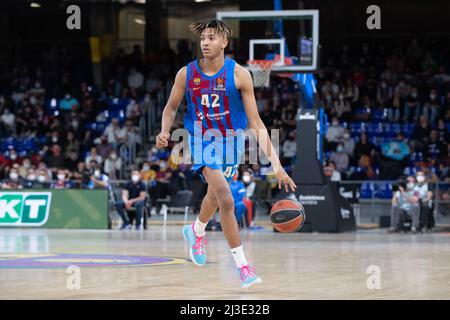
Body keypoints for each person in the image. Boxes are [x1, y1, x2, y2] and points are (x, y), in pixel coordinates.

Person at [155, 18, 296, 288]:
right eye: (203, 38)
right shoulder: (187, 73)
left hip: (231, 142)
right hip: (199, 139)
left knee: (214, 195)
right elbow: (171, 107)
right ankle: (243, 267)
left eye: (211, 38)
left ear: (224, 42)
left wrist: (276, 165)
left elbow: (255, 123)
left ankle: (195, 230)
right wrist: (164, 130)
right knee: (226, 199)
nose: (205, 42)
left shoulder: (240, 74)